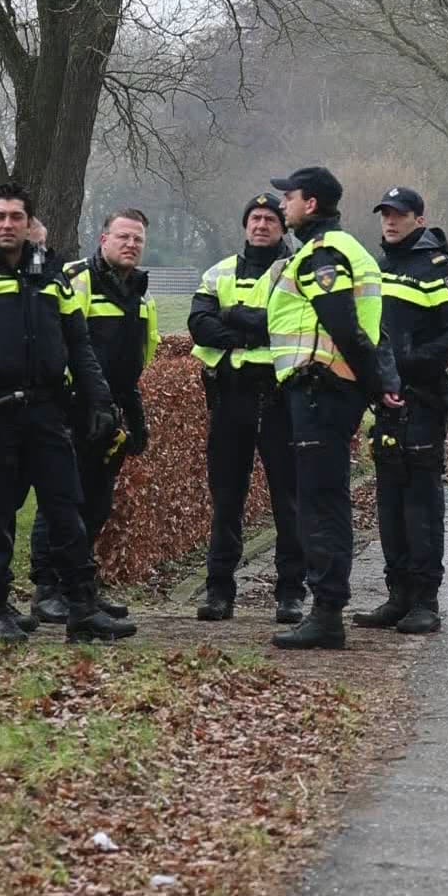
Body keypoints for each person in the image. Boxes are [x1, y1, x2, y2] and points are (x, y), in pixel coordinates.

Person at [0, 183, 134, 644]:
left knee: (67, 510)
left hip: (47, 410)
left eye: (15, 217)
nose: (7, 224)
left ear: (28, 223)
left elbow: (78, 345)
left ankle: (83, 607)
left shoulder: (52, 277)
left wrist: (99, 401)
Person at [264, 167, 400, 650]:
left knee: (321, 504)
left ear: (312, 204)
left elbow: (343, 324)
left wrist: (374, 381)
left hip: (321, 388)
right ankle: (327, 608)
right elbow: (369, 327)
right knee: (325, 499)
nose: (283, 205)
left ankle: (326, 613)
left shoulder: (324, 254)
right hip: (330, 389)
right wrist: (379, 382)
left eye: (290, 197)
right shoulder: (341, 249)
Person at [353, 188, 448, 635]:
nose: (390, 221)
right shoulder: (376, 265)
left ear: (419, 220)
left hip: (422, 398)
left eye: (399, 215)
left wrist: (408, 365)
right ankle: (398, 595)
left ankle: (426, 599)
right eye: (385, 214)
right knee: (389, 500)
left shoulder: (439, 270)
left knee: (421, 502)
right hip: (384, 399)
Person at [26, 209, 159, 626]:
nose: (131, 245)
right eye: (123, 237)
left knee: (97, 504)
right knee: (60, 501)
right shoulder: (76, 279)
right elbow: (61, 345)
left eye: (138, 238)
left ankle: (80, 588)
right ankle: (46, 589)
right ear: (103, 240)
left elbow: (142, 355)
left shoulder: (141, 290)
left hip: (112, 411)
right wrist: (74, 403)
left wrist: (134, 412)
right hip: (73, 407)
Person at [188, 193, 304, 625]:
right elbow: (199, 324)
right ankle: (219, 592)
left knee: (288, 502)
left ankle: (291, 593)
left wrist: (234, 318)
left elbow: (290, 325)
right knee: (226, 498)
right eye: (254, 218)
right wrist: (251, 328)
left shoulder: (295, 272)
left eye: (270, 218)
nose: (261, 225)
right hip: (232, 396)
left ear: (282, 227)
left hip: (279, 399)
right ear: (245, 225)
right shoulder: (218, 271)